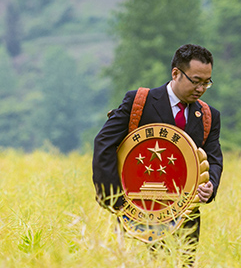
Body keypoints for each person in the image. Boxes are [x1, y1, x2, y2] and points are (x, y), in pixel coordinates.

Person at [92, 43, 223, 251]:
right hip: (136, 216)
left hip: (184, 220)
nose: (200, 89)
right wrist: (114, 199)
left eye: (207, 83)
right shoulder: (139, 102)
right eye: (196, 81)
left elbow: (213, 158)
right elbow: (104, 143)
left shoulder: (208, 116)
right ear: (176, 73)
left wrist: (210, 186)